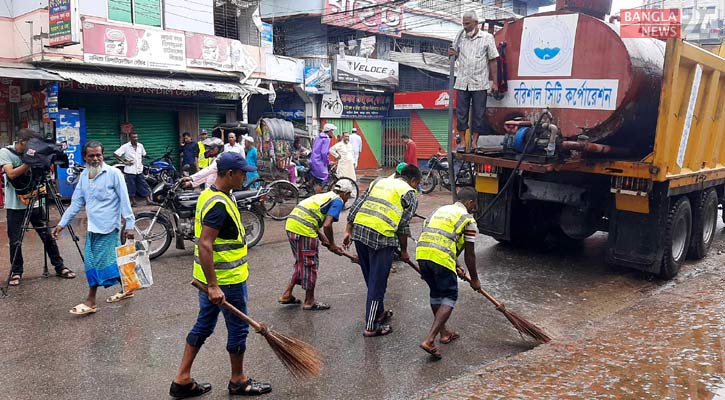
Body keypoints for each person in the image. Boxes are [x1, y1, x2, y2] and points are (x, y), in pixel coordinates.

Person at [169, 152, 271, 398]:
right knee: (238, 329)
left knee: (204, 324)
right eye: (242, 172)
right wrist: (214, 286)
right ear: (229, 174)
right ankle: (238, 380)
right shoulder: (218, 204)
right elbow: (205, 244)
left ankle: (182, 379)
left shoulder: (213, 194)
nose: (245, 176)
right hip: (225, 280)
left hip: (210, 277)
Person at [52, 141, 136, 315]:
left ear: (103, 155)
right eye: (91, 156)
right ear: (85, 157)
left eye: (99, 154)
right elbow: (76, 203)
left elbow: (124, 200)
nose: (96, 158)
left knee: (94, 263)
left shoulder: (114, 174)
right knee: (107, 261)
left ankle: (91, 301)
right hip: (93, 228)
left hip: (109, 227)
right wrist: (61, 224)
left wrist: (130, 224)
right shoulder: (84, 176)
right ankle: (128, 287)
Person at [343, 165, 421, 337]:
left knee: (372, 280)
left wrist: (348, 230)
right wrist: (404, 251)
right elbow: (402, 226)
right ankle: (371, 326)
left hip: (360, 232)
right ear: (414, 181)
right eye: (417, 184)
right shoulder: (410, 193)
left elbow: (357, 205)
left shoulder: (379, 181)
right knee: (377, 283)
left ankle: (379, 312)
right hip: (382, 238)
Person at [0, 129, 75, 287]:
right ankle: (16, 272)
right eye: (29, 146)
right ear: (21, 142)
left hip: (36, 202)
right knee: (15, 241)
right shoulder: (6, 152)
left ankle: (59, 266)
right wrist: (30, 161)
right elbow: (11, 174)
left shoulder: (35, 152)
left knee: (47, 235)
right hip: (15, 205)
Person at [415, 187, 481, 359]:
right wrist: (475, 279)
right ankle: (429, 340)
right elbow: (470, 254)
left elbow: (441, 238)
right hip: (440, 258)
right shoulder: (468, 220)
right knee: (449, 296)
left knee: (436, 293)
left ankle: (444, 333)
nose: (475, 207)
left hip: (422, 254)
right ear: (470, 202)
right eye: (475, 204)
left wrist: (455, 264)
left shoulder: (441, 210)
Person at [277, 180, 355, 311]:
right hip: (303, 230)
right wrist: (333, 244)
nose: (347, 200)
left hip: (292, 225)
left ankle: (287, 294)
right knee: (309, 264)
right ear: (345, 194)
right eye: (348, 196)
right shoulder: (338, 200)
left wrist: (324, 239)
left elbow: (312, 218)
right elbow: (327, 225)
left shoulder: (324, 196)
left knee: (301, 262)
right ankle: (309, 301)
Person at [448, 11, 499, 151]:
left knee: (479, 113)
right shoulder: (459, 37)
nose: (465, 26)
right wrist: (452, 55)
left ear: (476, 23)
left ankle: (475, 142)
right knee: (461, 113)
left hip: (480, 82)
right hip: (462, 82)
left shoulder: (487, 38)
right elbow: (454, 55)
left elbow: (493, 60)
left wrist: (494, 82)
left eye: (468, 24)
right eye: (463, 24)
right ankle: (463, 143)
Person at [114, 132, 150, 207]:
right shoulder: (125, 146)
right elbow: (115, 154)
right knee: (131, 186)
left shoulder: (140, 146)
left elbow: (144, 154)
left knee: (143, 184)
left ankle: (148, 200)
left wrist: (140, 161)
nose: (135, 139)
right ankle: (133, 201)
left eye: (136, 137)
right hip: (130, 170)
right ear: (130, 138)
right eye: (133, 137)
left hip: (139, 169)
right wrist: (124, 162)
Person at [309, 124, 335, 193]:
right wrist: (327, 161)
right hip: (319, 161)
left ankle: (313, 189)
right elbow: (324, 152)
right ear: (329, 131)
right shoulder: (326, 139)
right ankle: (317, 195)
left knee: (317, 178)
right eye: (332, 131)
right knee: (322, 178)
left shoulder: (318, 136)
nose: (333, 133)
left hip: (313, 159)